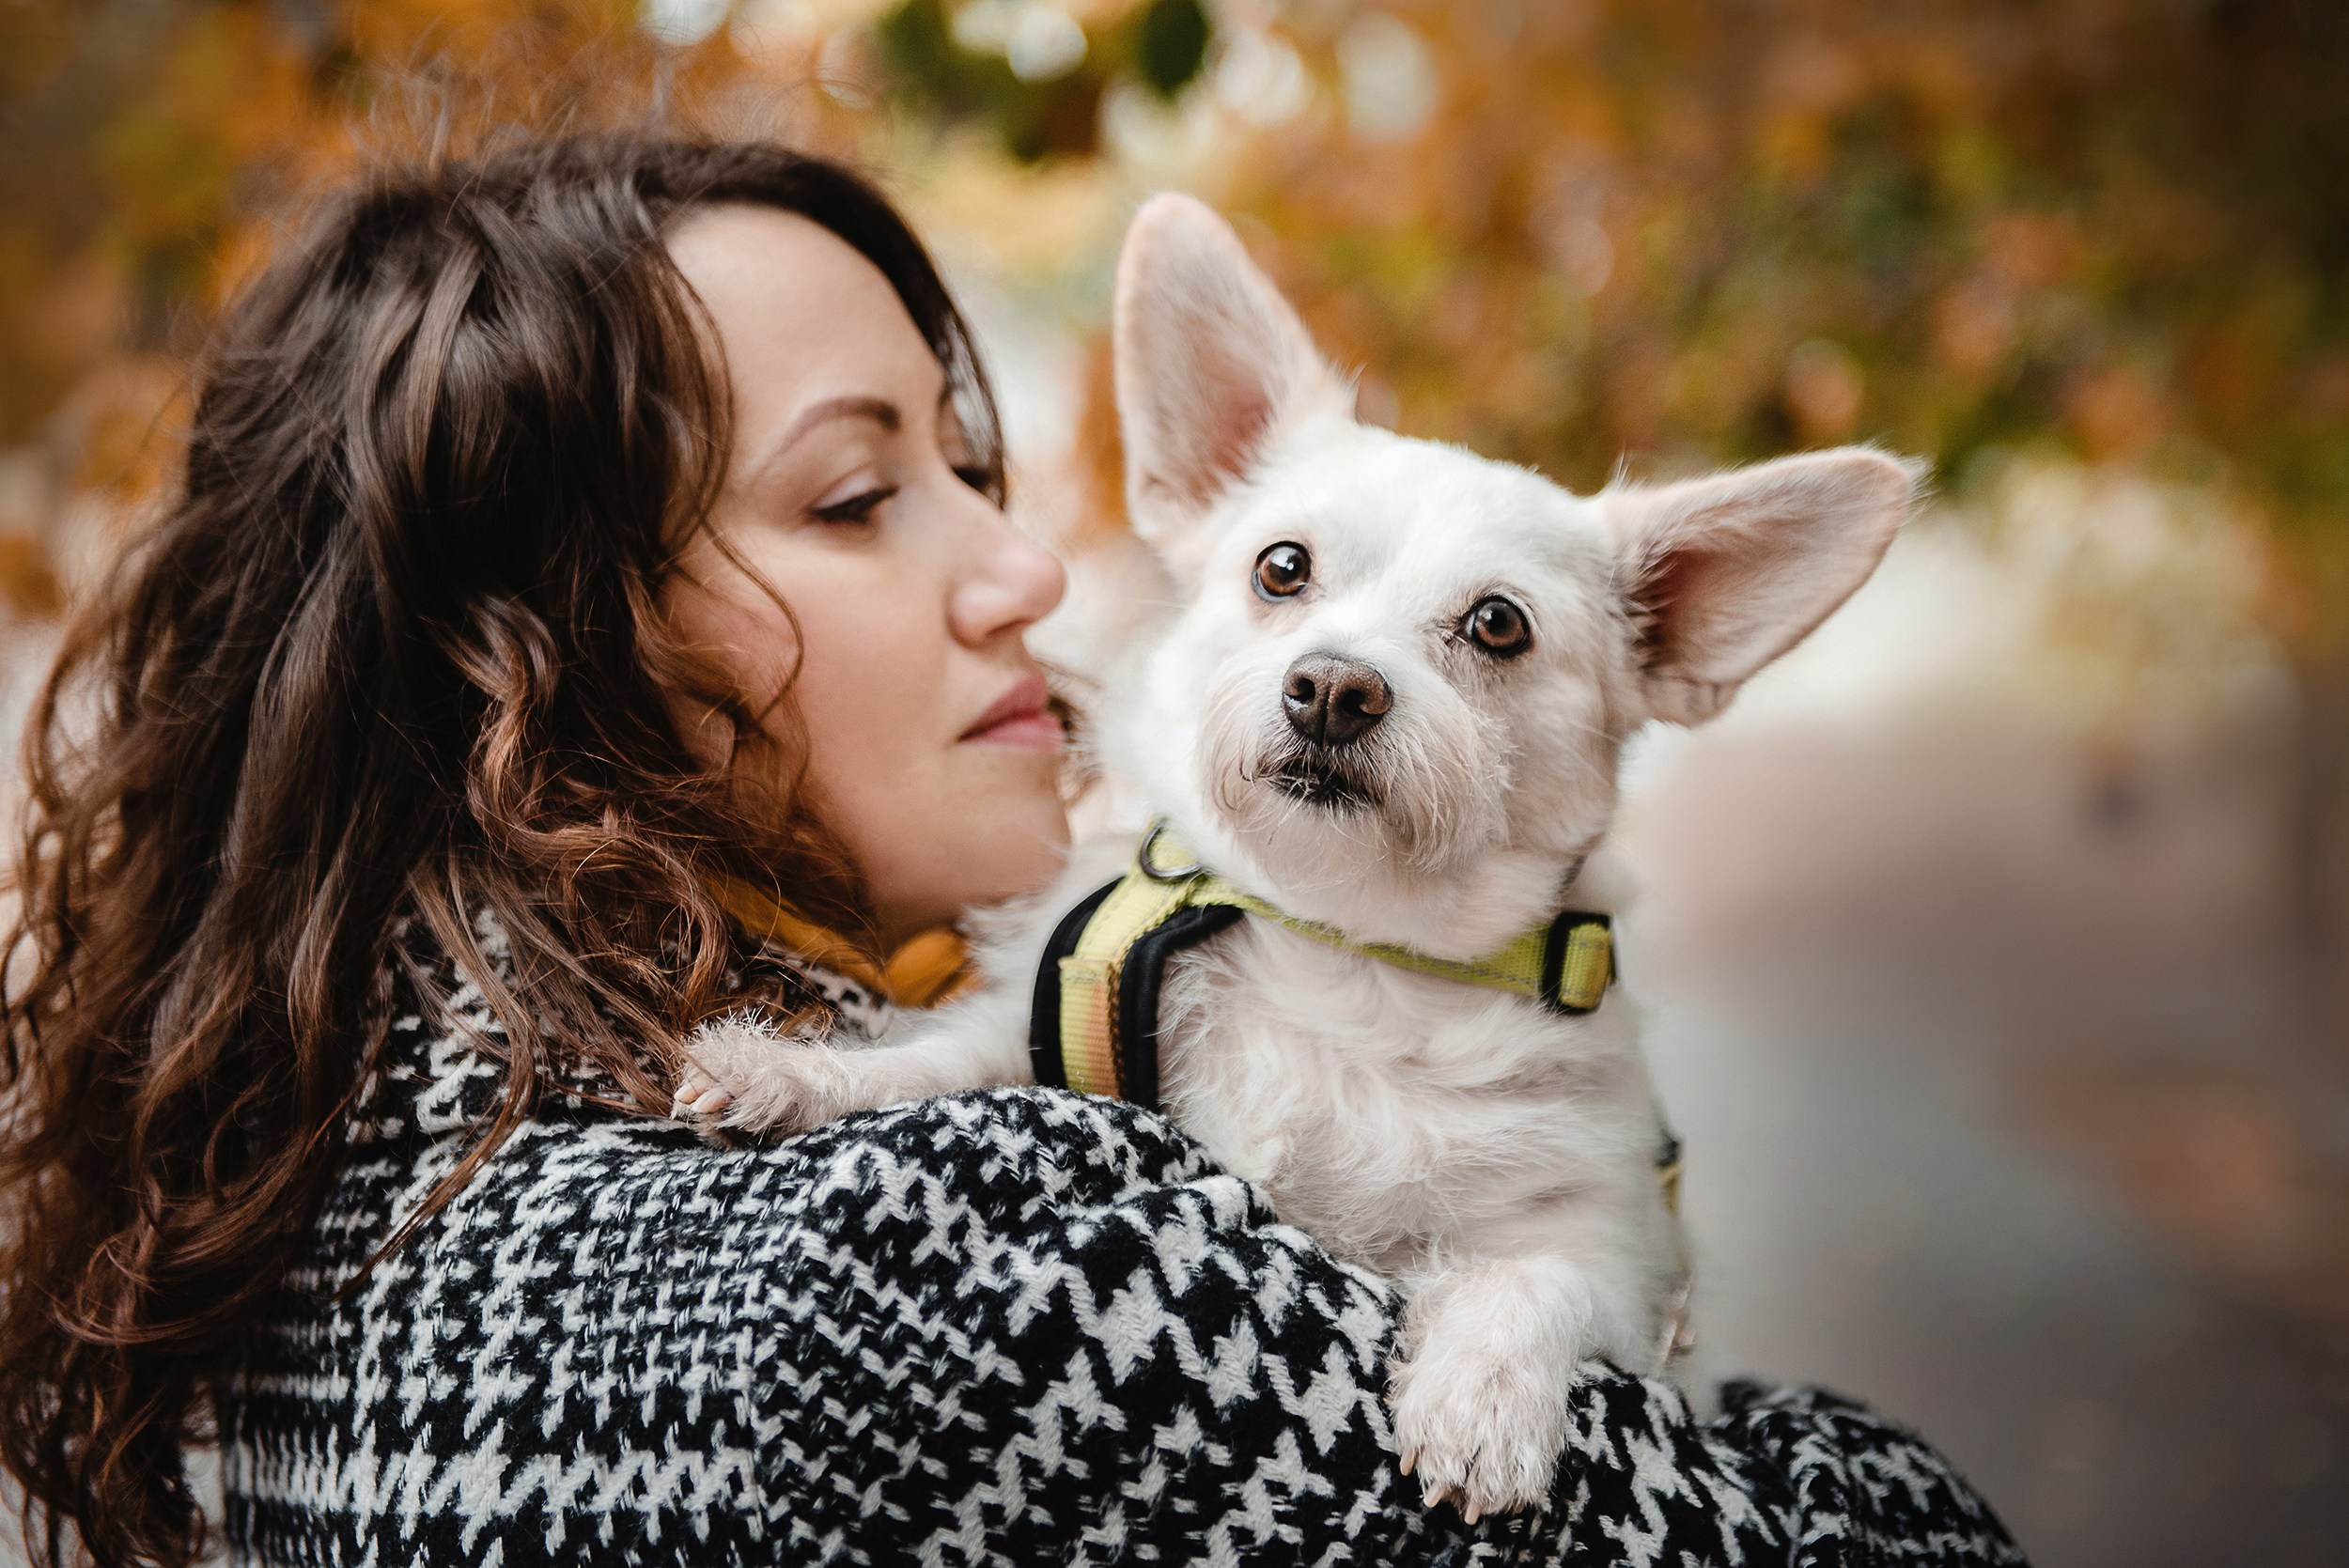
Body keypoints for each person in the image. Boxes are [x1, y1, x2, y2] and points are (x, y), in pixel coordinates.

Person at [0, 131, 2027, 1567]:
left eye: (969, 462)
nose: (1026, 560)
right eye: (860, 494)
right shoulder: (969, 1254)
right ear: (529, 645)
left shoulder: (294, 1172)